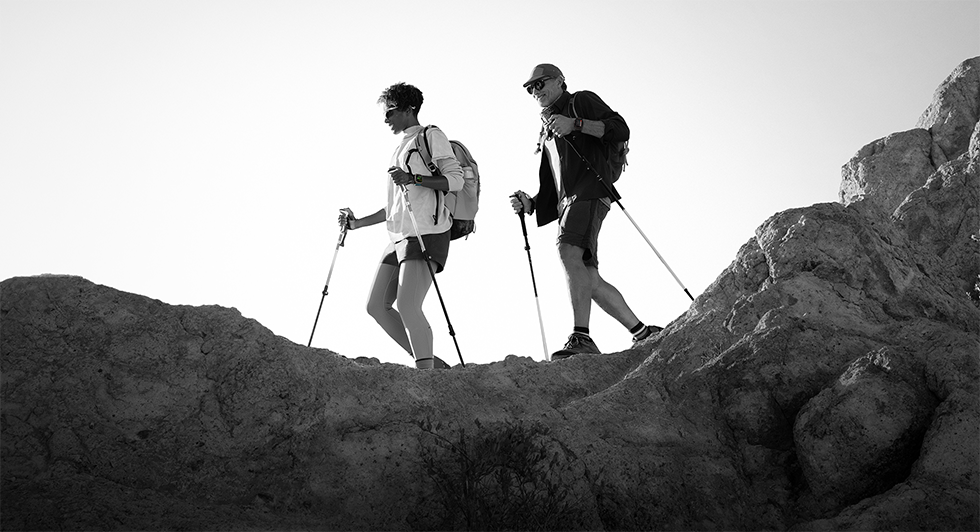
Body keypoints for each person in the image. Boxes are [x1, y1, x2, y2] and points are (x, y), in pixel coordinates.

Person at [510, 63, 661, 360]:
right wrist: (532, 204)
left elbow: (620, 128)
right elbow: (556, 185)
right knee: (588, 277)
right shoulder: (546, 130)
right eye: (530, 88)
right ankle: (643, 332)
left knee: (568, 251)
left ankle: (582, 337)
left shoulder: (581, 100)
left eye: (540, 84)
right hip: (571, 201)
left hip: (591, 191)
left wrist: (575, 124)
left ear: (559, 82)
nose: (535, 91)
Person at [340, 82, 464, 369]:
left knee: (408, 307)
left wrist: (413, 179)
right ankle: (433, 365)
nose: (386, 119)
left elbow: (455, 180)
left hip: (426, 234)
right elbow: (394, 206)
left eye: (391, 112)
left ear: (409, 110)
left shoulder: (431, 136)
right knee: (376, 307)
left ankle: (428, 375)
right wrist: (356, 224)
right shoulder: (400, 148)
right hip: (397, 237)